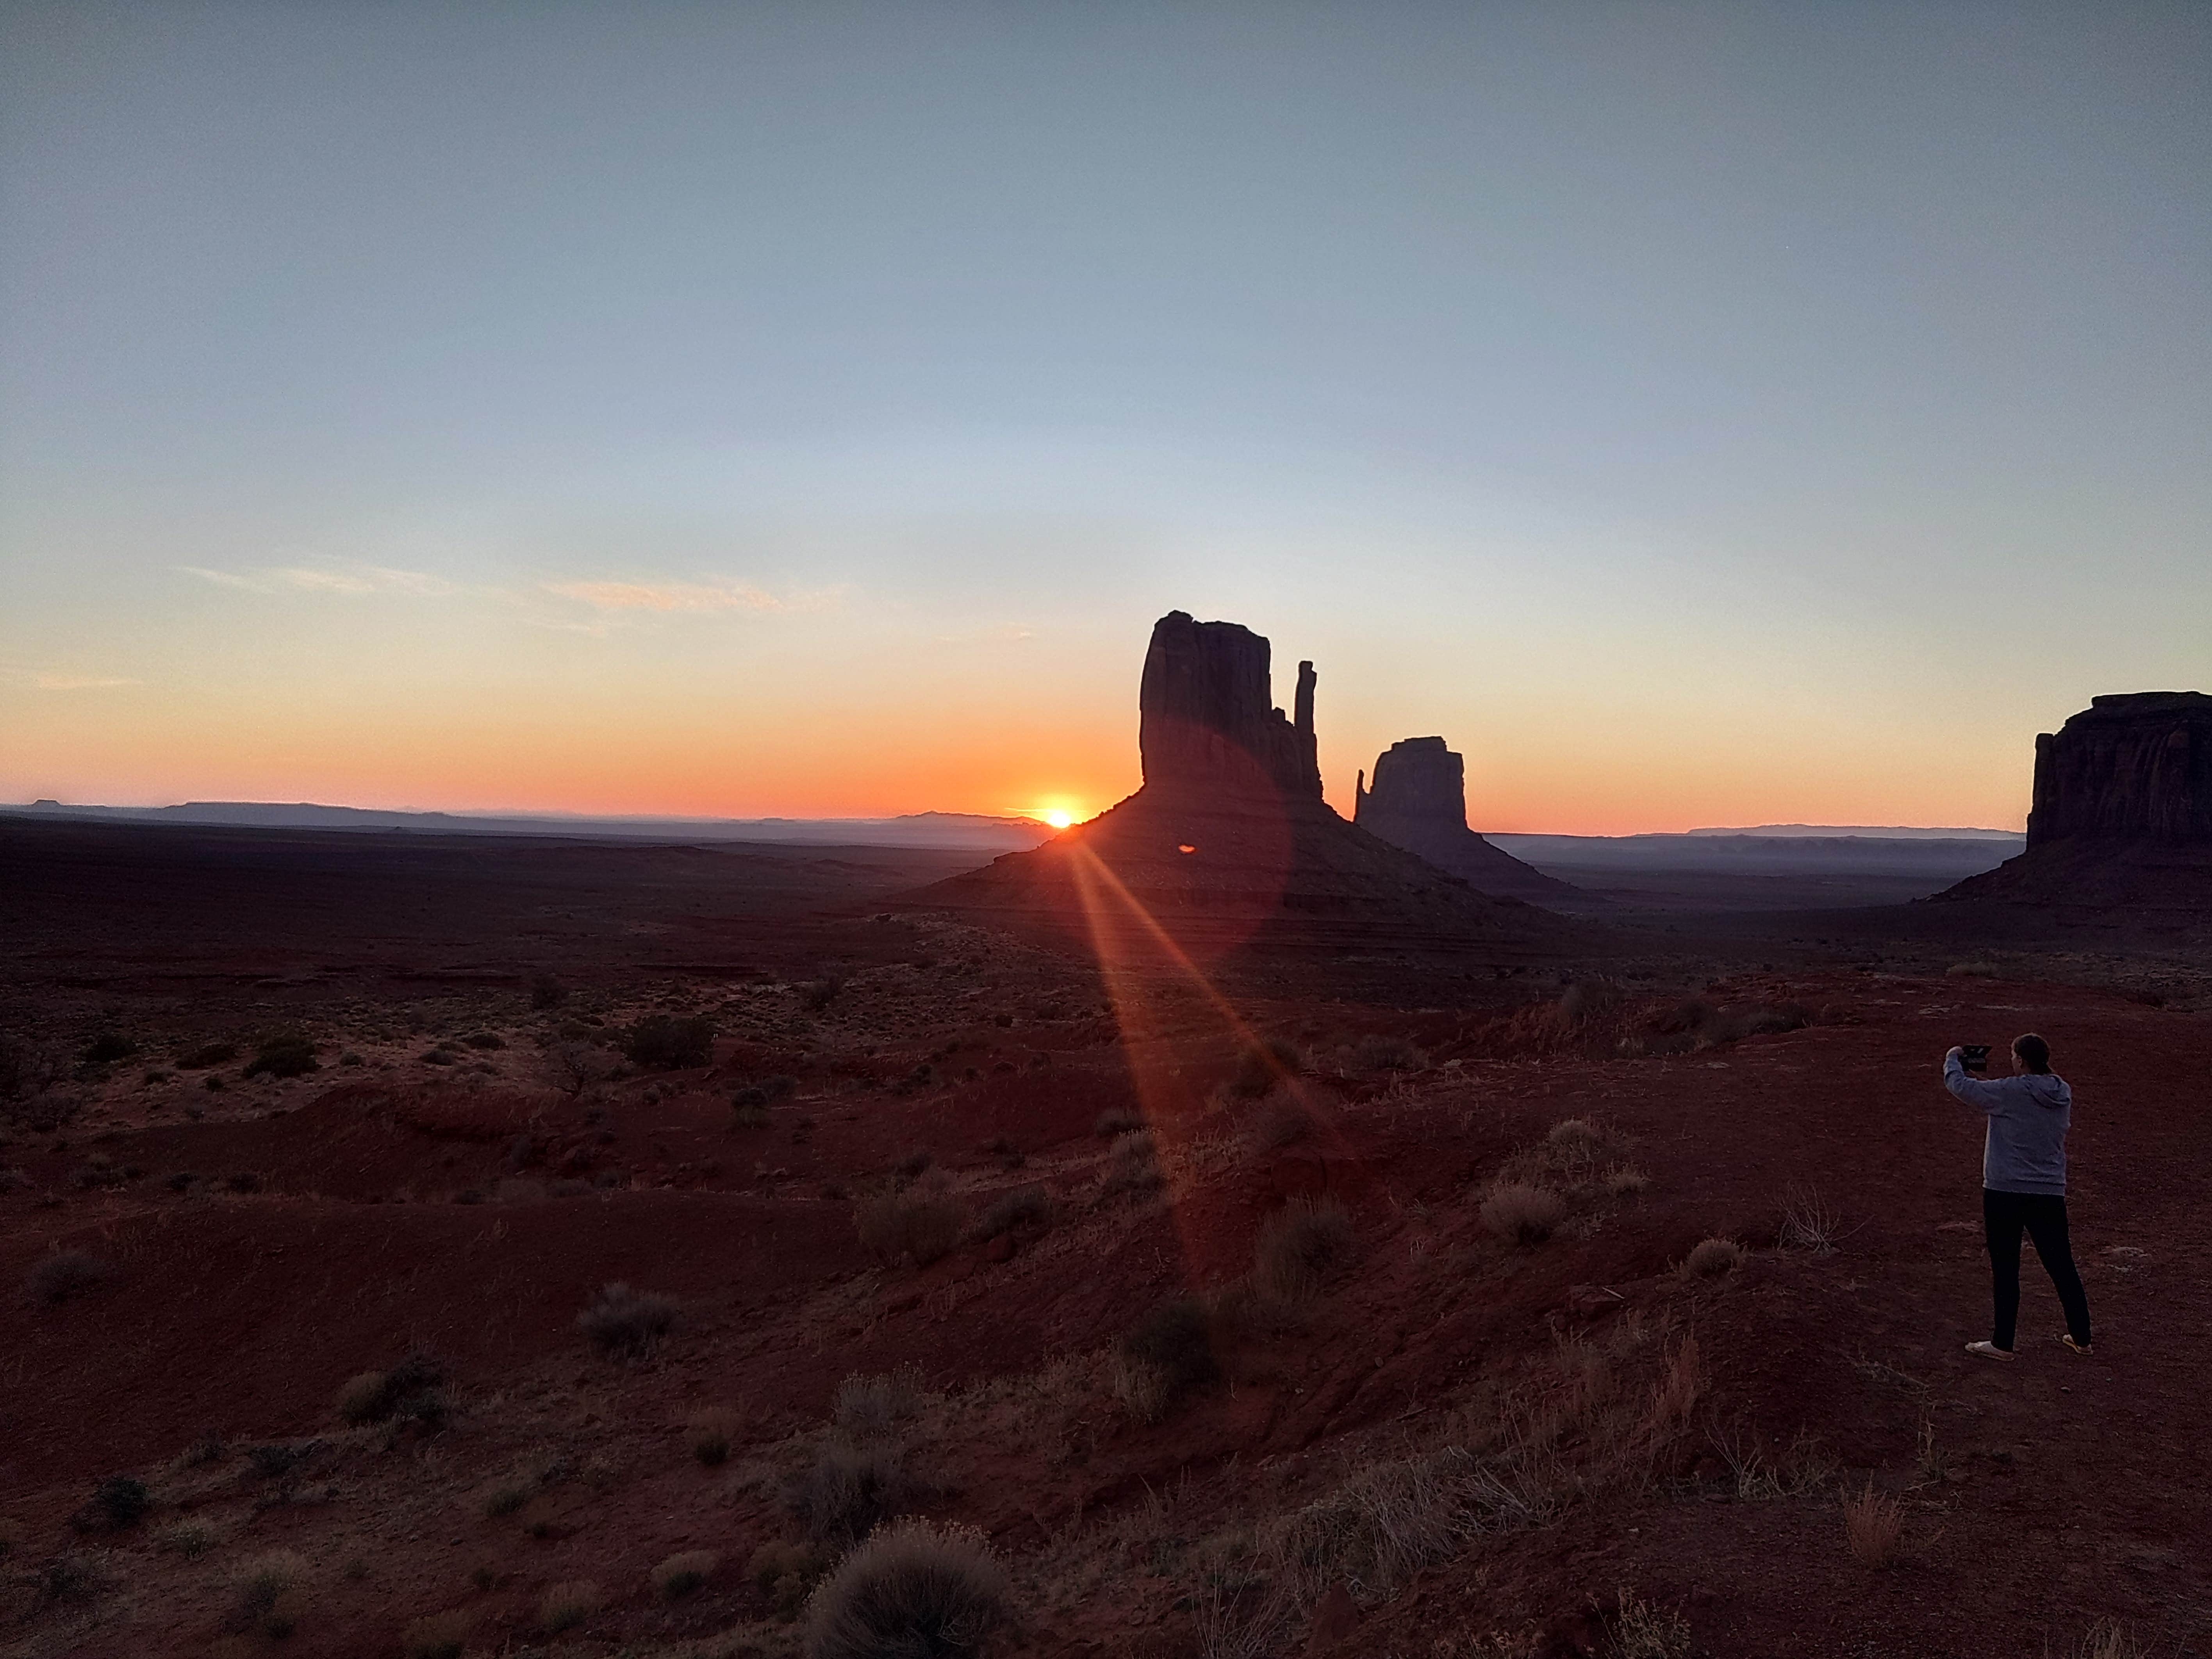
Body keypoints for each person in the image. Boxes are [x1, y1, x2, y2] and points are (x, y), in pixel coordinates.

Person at [1943, 1034, 2092, 1360]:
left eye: (2013, 1056)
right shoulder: (2061, 1092)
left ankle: (2003, 1343)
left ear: (2022, 1061)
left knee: (2006, 1267)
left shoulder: (2009, 1092)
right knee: (2062, 1265)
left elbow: (1962, 1088)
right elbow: (2011, 1095)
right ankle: (2082, 1338)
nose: (2011, 1061)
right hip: (2049, 1191)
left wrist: (1953, 1059)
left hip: (2005, 1191)